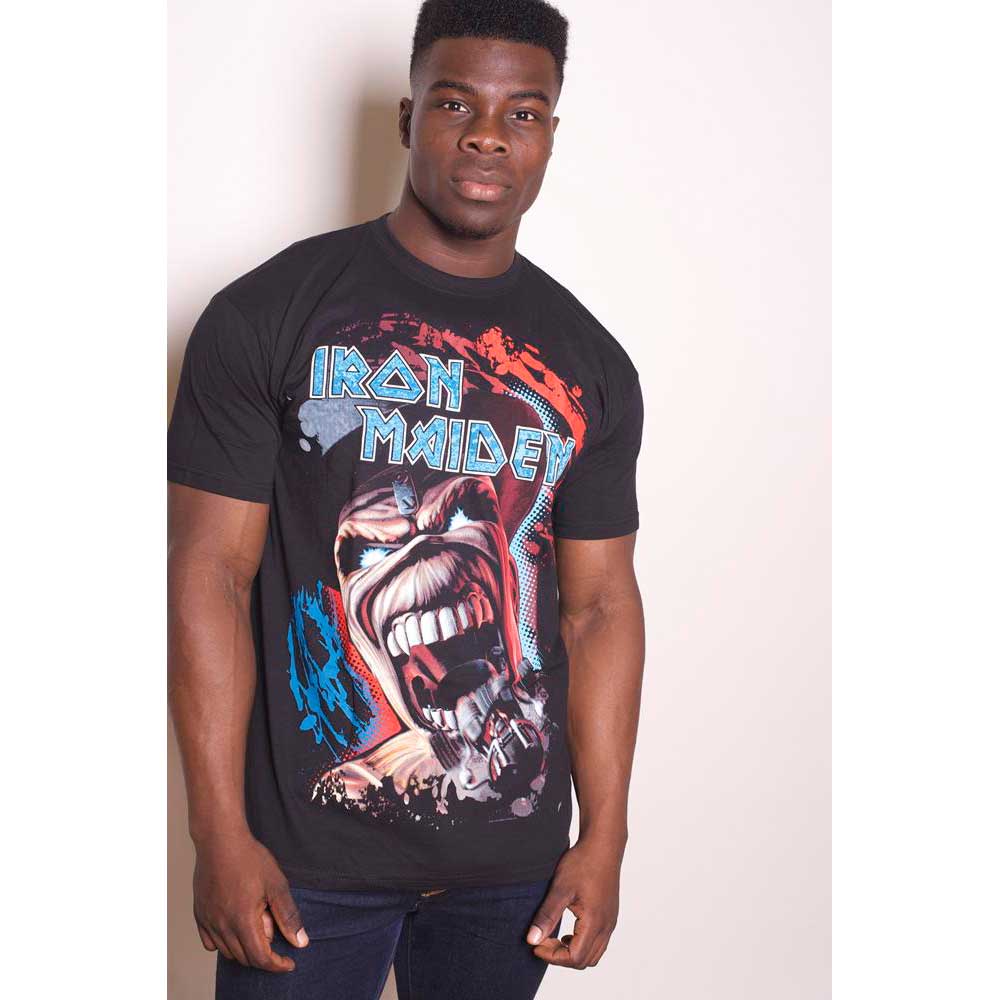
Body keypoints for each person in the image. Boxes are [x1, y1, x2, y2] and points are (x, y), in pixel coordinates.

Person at [167, 1, 645, 997]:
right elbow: (210, 572)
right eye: (456, 103)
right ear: (407, 117)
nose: (487, 134)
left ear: (550, 135)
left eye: (522, 112)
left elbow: (600, 606)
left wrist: (603, 837)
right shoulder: (267, 315)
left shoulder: (588, 364)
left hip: (511, 875)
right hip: (303, 863)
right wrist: (219, 832)